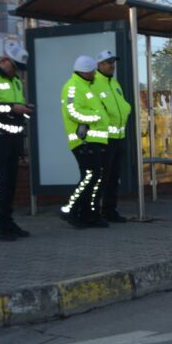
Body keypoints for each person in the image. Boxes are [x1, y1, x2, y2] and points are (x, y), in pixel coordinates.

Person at [59, 55, 110, 228]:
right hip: (83, 141)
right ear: (85, 71)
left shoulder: (86, 86)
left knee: (93, 178)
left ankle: (88, 214)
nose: (95, 74)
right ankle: (70, 210)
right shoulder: (73, 86)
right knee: (90, 177)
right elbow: (73, 111)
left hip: (93, 140)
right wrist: (96, 116)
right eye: (93, 71)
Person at [0, 40, 34, 241]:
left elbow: (17, 108)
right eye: (14, 67)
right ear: (5, 60)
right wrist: (12, 108)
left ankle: (6, 222)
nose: (16, 71)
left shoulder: (16, 81)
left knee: (9, 183)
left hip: (13, 138)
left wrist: (25, 110)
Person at [92, 50, 132, 222]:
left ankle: (109, 210)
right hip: (103, 138)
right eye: (108, 63)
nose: (112, 65)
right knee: (102, 177)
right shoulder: (94, 82)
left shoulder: (114, 83)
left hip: (118, 137)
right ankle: (94, 212)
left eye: (113, 62)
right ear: (99, 64)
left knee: (114, 177)